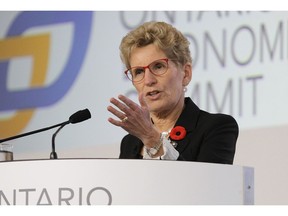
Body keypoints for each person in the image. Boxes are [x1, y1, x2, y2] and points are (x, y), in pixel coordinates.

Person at [107, 21, 238, 164]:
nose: (148, 80)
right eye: (138, 72)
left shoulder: (215, 128)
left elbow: (203, 185)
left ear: (186, 74)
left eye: (158, 66)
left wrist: (152, 140)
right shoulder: (130, 142)